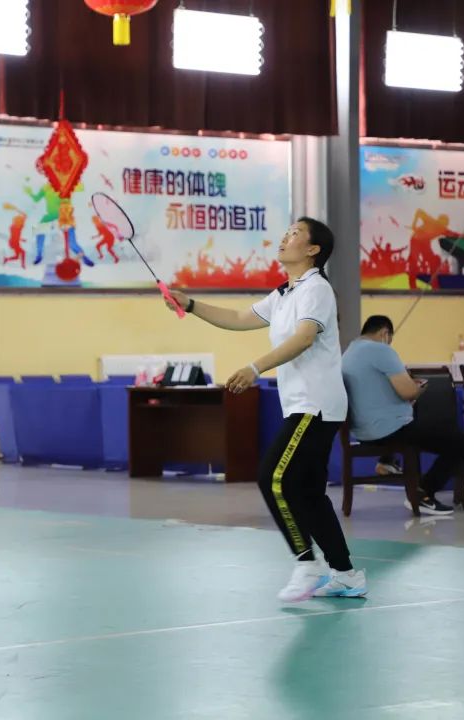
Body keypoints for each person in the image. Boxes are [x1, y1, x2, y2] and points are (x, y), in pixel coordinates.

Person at [167, 217, 365, 602]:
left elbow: (304, 338)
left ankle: (307, 563)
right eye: (287, 231)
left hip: (315, 404)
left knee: (273, 478)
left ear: (313, 250)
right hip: (306, 405)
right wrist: (189, 304)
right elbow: (239, 318)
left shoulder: (316, 289)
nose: (285, 237)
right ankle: (346, 575)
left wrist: (255, 368)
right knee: (309, 493)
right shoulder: (284, 294)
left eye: (295, 233)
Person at [341, 315, 464, 515]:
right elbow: (408, 392)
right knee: (461, 442)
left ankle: (386, 461)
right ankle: (423, 493)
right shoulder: (381, 350)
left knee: (421, 421)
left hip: (361, 431)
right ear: (384, 334)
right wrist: (418, 388)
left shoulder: (349, 353)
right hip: (388, 430)